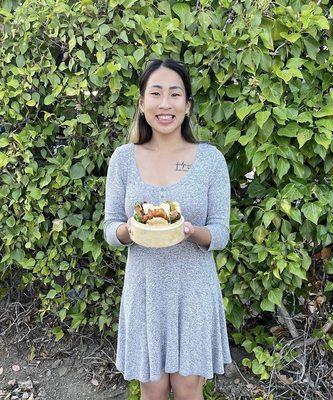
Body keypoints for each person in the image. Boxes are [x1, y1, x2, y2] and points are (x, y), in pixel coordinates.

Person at [104, 59, 232, 400]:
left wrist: (190, 230)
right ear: (142, 104)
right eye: (155, 93)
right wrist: (128, 231)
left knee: (189, 388)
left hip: (193, 290)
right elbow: (110, 226)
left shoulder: (210, 160)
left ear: (187, 106)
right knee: (153, 387)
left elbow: (220, 232)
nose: (165, 103)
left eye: (175, 94)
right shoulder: (123, 159)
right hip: (144, 290)